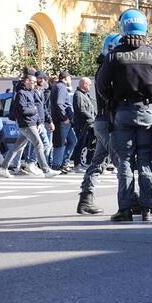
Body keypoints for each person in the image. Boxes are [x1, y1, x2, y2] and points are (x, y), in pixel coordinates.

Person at [97, 9, 152, 222]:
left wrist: (113, 100)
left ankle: (126, 209)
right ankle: (148, 210)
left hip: (122, 113)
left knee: (125, 162)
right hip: (148, 113)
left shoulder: (114, 55)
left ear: (123, 28)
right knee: (146, 162)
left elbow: (101, 84)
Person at [76, 34, 120, 216]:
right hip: (108, 120)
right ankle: (133, 198)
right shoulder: (109, 69)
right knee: (121, 161)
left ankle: (85, 200)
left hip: (101, 120)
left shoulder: (103, 67)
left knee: (97, 162)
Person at [0, 71, 60, 179]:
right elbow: (23, 109)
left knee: (17, 147)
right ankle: (46, 170)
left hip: (30, 123)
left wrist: (39, 122)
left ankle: (3, 168)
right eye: (33, 82)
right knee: (39, 144)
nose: (35, 84)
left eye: (35, 82)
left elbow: (39, 108)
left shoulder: (31, 93)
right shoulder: (21, 93)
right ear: (27, 81)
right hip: (26, 124)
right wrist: (34, 110)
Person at [50, 71, 76, 172]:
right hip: (62, 121)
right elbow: (59, 104)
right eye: (69, 78)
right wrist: (64, 118)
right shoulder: (61, 87)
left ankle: (64, 163)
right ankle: (56, 165)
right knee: (60, 144)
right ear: (65, 78)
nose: (70, 80)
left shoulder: (61, 87)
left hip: (66, 122)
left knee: (73, 141)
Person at [71, 77, 96, 172]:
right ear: (84, 84)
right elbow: (81, 110)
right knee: (80, 144)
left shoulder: (85, 95)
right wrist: (92, 118)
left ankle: (85, 163)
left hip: (89, 124)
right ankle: (76, 165)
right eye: (89, 85)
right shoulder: (78, 95)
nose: (90, 87)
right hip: (82, 125)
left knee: (88, 144)